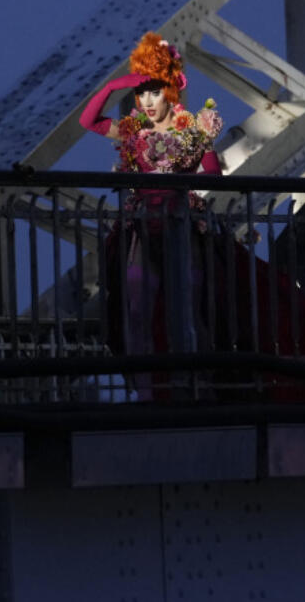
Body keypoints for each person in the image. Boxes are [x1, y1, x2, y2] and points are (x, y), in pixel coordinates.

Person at [80, 32, 224, 398]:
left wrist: (179, 176)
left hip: (180, 225)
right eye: (141, 92)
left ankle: (199, 384)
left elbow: (213, 175)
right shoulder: (132, 132)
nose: (145, 100)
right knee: (138, 301)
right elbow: (88, 119)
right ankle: (148, 389)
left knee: (189, 302)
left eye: (153, 91)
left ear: (171, 90)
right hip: (142, 226)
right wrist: (114, 84)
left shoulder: (191, 130)